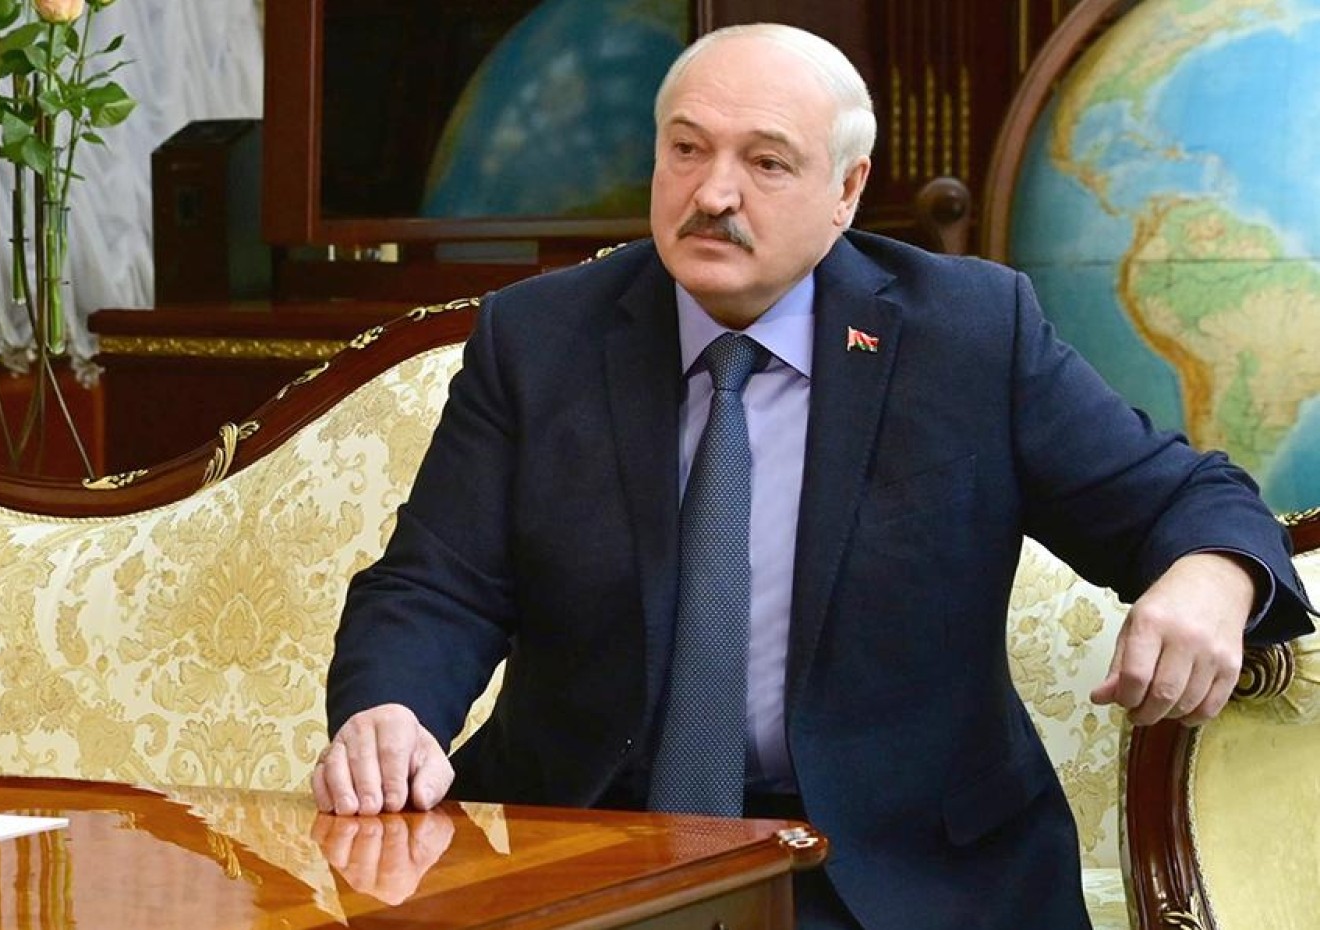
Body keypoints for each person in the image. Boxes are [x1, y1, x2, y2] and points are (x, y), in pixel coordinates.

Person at [313, 22, 1314, 930]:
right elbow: (434, 584)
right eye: (687, 149)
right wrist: (391, 710)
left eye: (766, 163)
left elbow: (1189, 498)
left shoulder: (969, 335)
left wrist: (1211, 576)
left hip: (899, 871)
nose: (713, 194)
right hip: (588, 851)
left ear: (846, 190)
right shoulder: (539, 340)